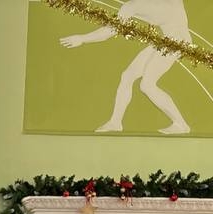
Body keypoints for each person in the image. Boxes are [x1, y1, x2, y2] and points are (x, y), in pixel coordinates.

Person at [60, 0, 191, 135]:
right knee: (127, 76)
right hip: (167, 41)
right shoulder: (135, 5)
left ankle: (181, 124)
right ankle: (115, 122)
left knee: (147, 85)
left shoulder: (135, 6)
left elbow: (109, 31)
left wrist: (82, 39)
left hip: (178, 43)